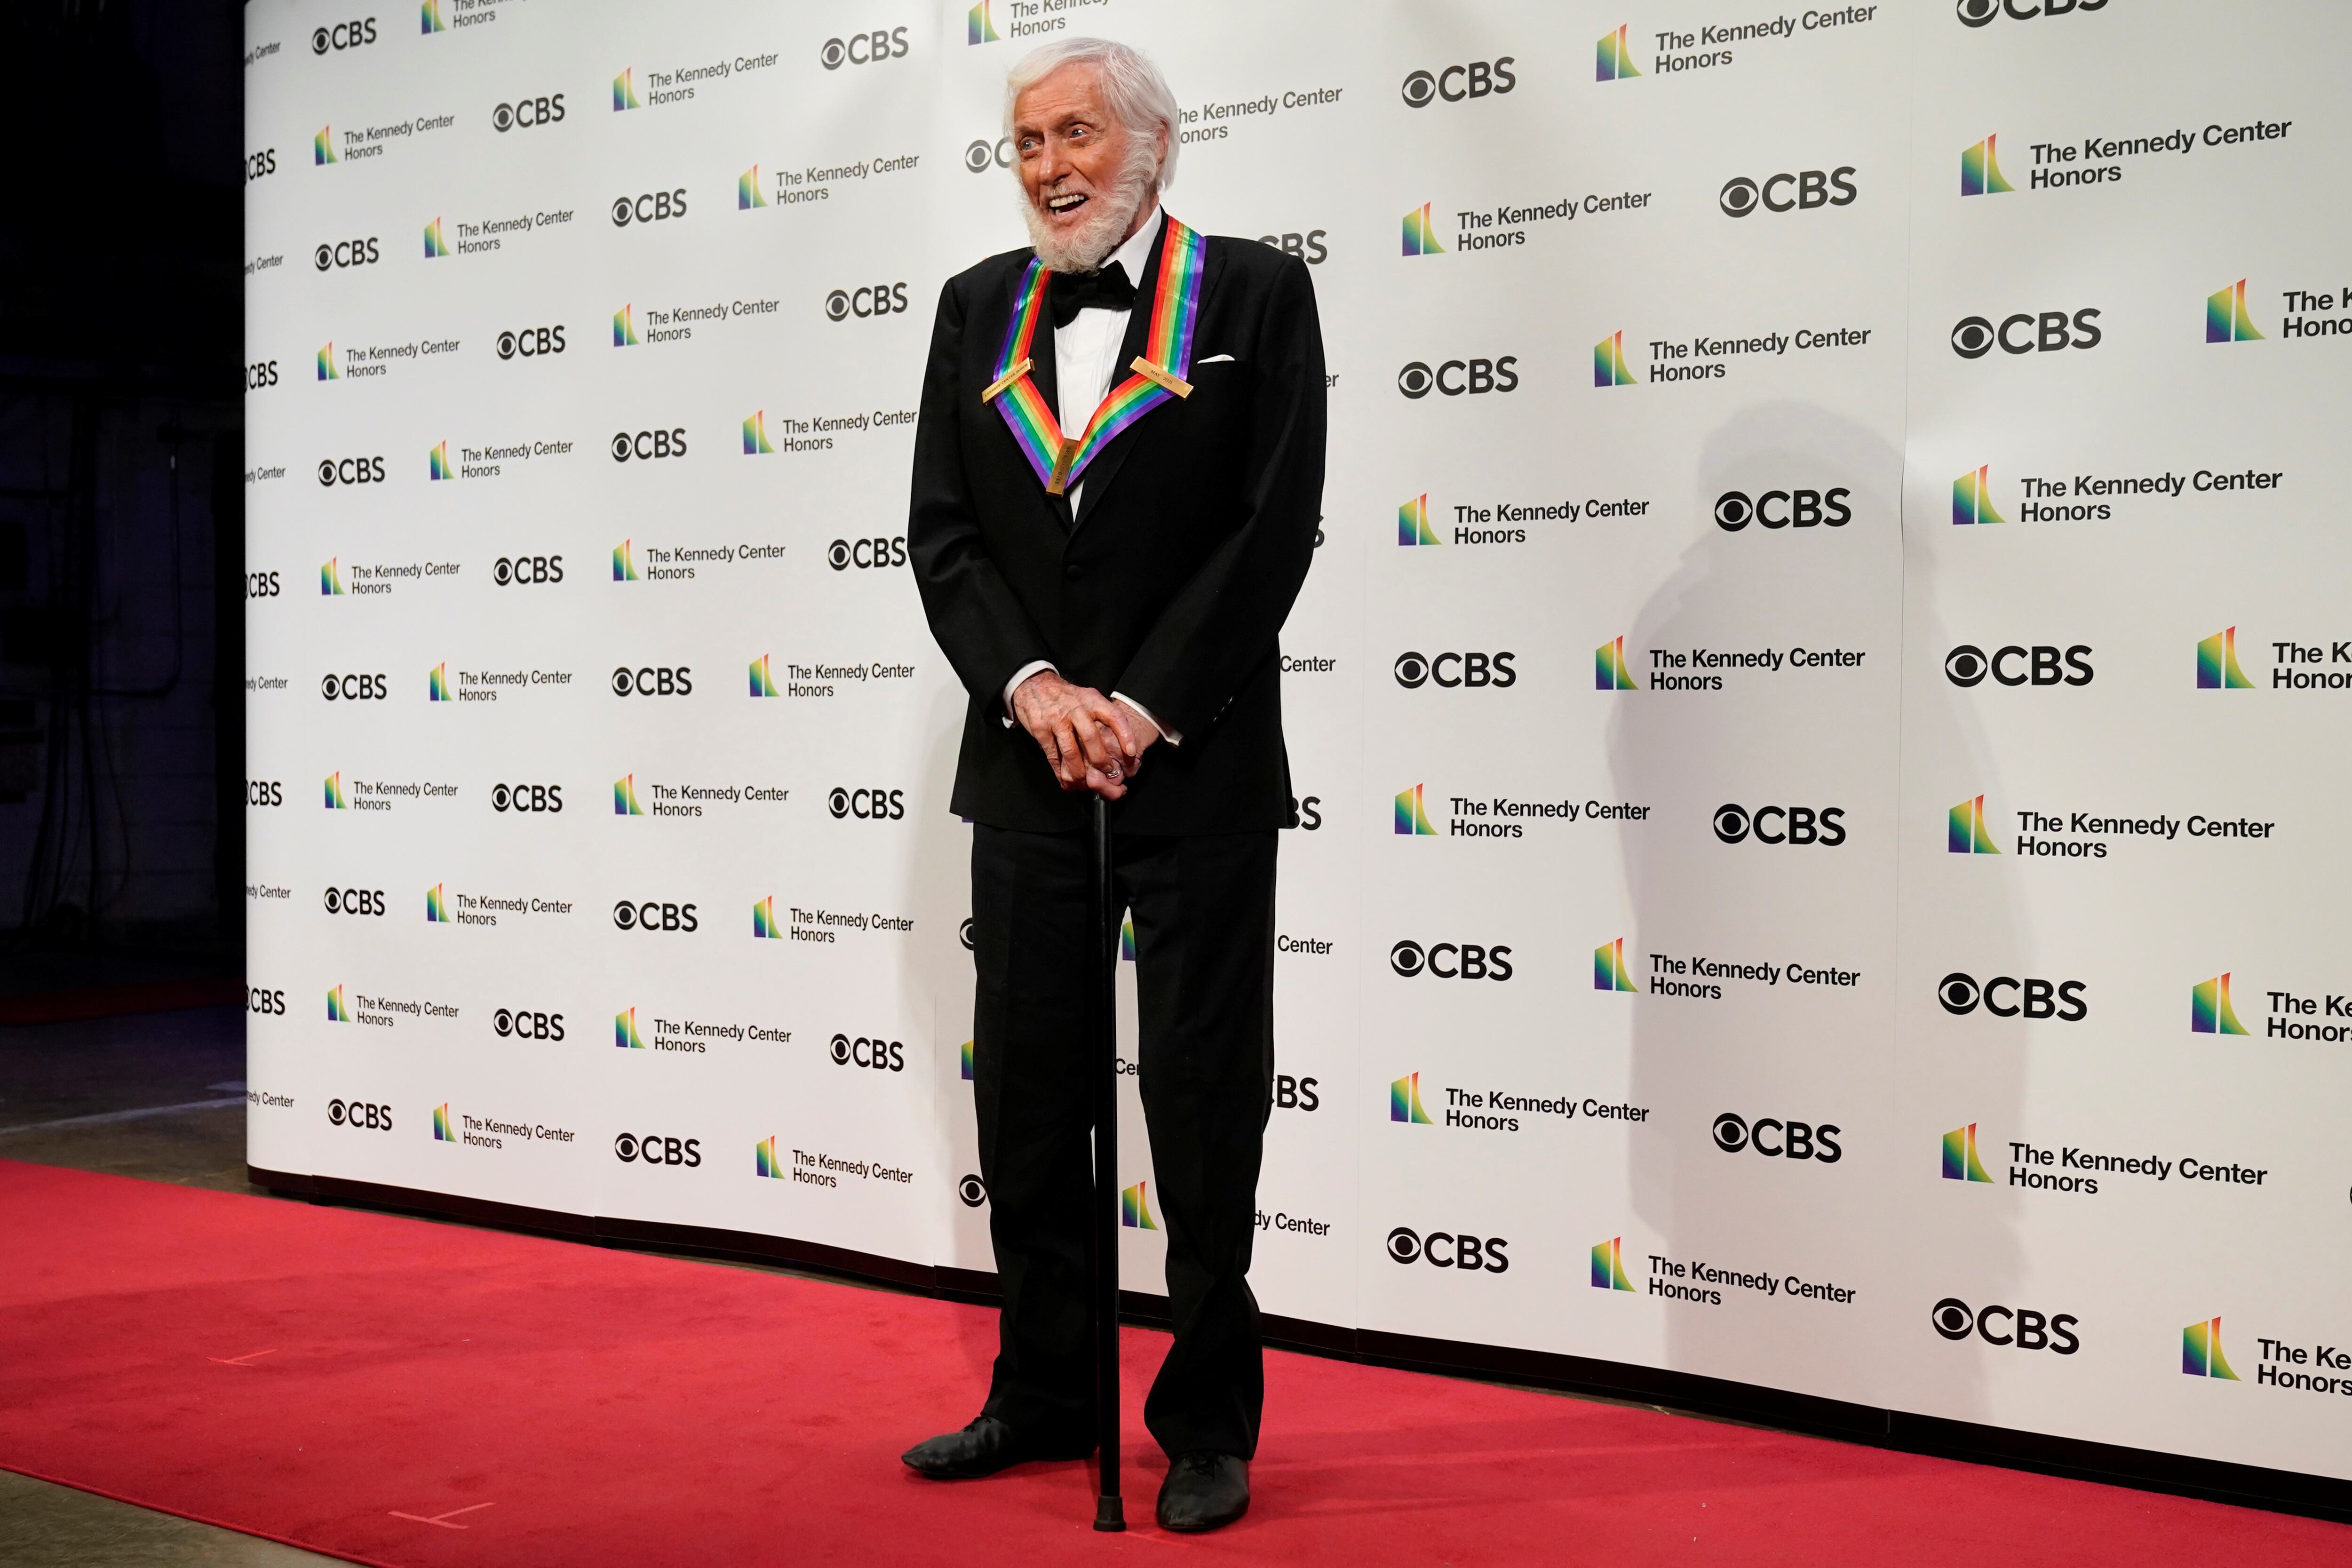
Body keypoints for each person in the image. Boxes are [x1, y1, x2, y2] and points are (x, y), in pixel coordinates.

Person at [899, 35, 1326, 1535]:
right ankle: (1045, 1390)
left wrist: (1138, 706)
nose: (1049, 168)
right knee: (1030, 1106)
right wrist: (1036, 692)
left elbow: (1269, 534)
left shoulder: (1259, 295)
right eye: (1025, 143)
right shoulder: (975, 308)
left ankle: (1206, 1421)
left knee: (1205, 1110)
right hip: (1023, 771)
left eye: (1076, 134)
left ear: (1154, 145)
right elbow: (943, 538)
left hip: (1195, 769)